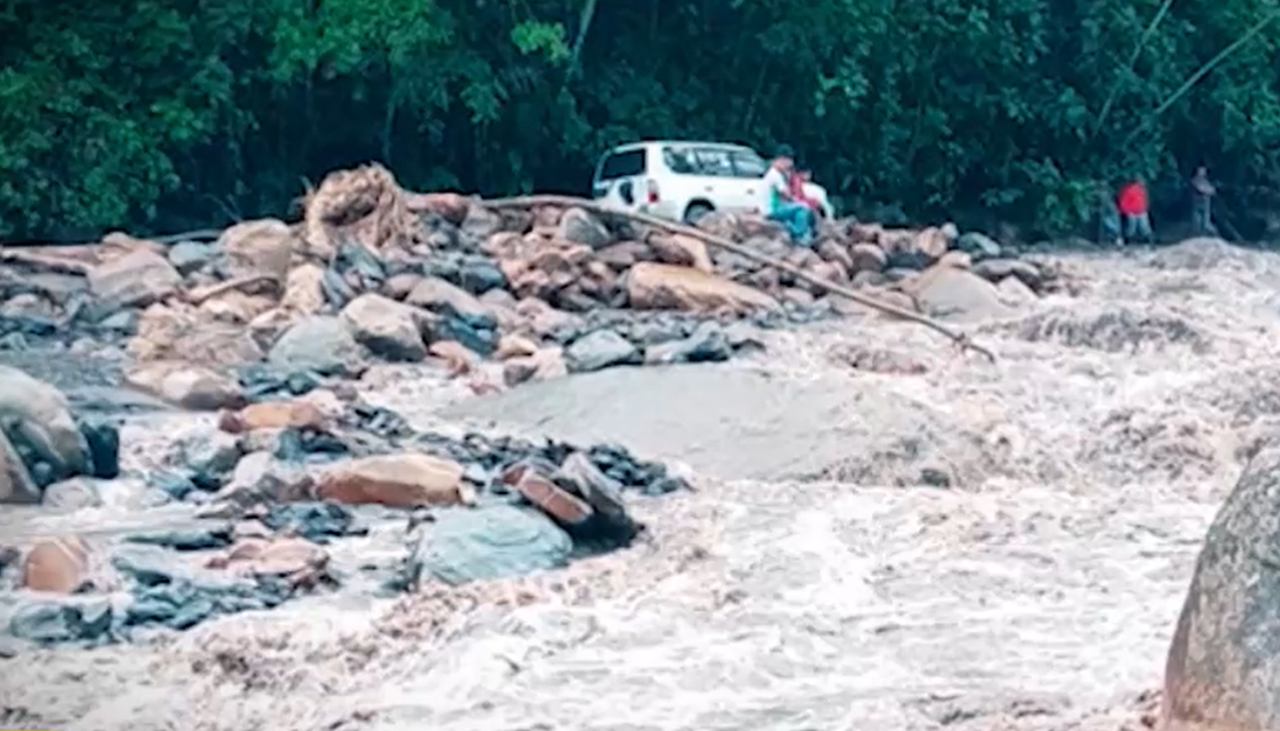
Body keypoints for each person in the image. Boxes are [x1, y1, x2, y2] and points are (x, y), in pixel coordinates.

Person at [762, 145, 814, 246]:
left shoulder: (774, 174)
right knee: (803, 208)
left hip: (776, 208)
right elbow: (787, 195)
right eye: (789, 161)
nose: (790, 165)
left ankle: (803, 236)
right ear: (781, 159)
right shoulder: (775, 175)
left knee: (800, 213)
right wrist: (800, 203)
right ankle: (797, 234)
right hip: (772, 210)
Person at [1116, 178, 1153, 244]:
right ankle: (1126, 240)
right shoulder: (1130, 190)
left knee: (1143, 226)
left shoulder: (1141, 189)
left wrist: (1144, 208)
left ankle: (1148, 241)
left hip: (1140, 210)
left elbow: (1144, 200)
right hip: (1133, 211)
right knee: (1133, 227)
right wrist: (1125, 210)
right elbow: (1124, 202)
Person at [1190, 166, 1218, 236]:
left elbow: (1212, 191)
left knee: (1206, 221)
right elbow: (1200, 189)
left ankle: (1211, 234)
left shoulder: (1206, 181)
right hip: (1198, 201)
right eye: (1201, 171)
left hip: (1206, 202)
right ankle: (1198, 234)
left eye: (1203, 171)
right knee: (1197, 220)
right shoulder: (1194, 180)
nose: (1203, 172)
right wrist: (1206, 190)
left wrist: (1207, 190)